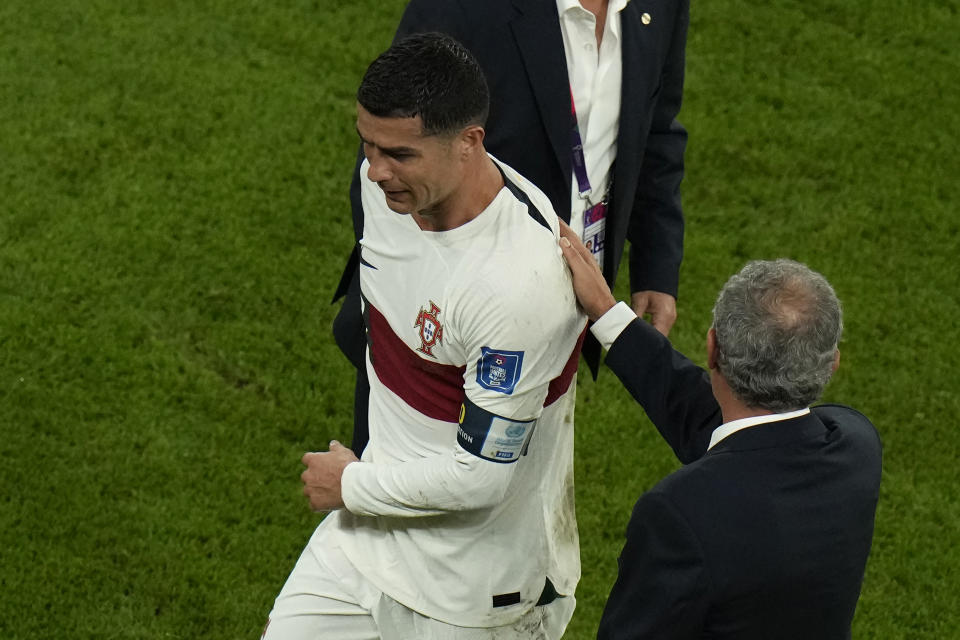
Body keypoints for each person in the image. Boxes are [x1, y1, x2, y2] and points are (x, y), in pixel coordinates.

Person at [263, 34, 586, 639]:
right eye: (368, 145)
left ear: (469, 143)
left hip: (476, 593)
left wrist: (353, 483)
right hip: (366, 545)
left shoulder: (519, 283)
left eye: (401, 155)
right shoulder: (381, 190)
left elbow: (483, 476)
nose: (377, 171)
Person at [334, 0, 689, 453]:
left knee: (522, 477)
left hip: (563, 299)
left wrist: (657, 263)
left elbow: (656, 128)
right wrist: (421, 317)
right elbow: (394, 142)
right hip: (442, 317)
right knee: (404, 482)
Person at [557, 225, 883, 639]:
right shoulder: (855, 445)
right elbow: (719, 423)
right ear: (831, 364)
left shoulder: (680, 512)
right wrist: (608, 315)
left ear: (712, 348)